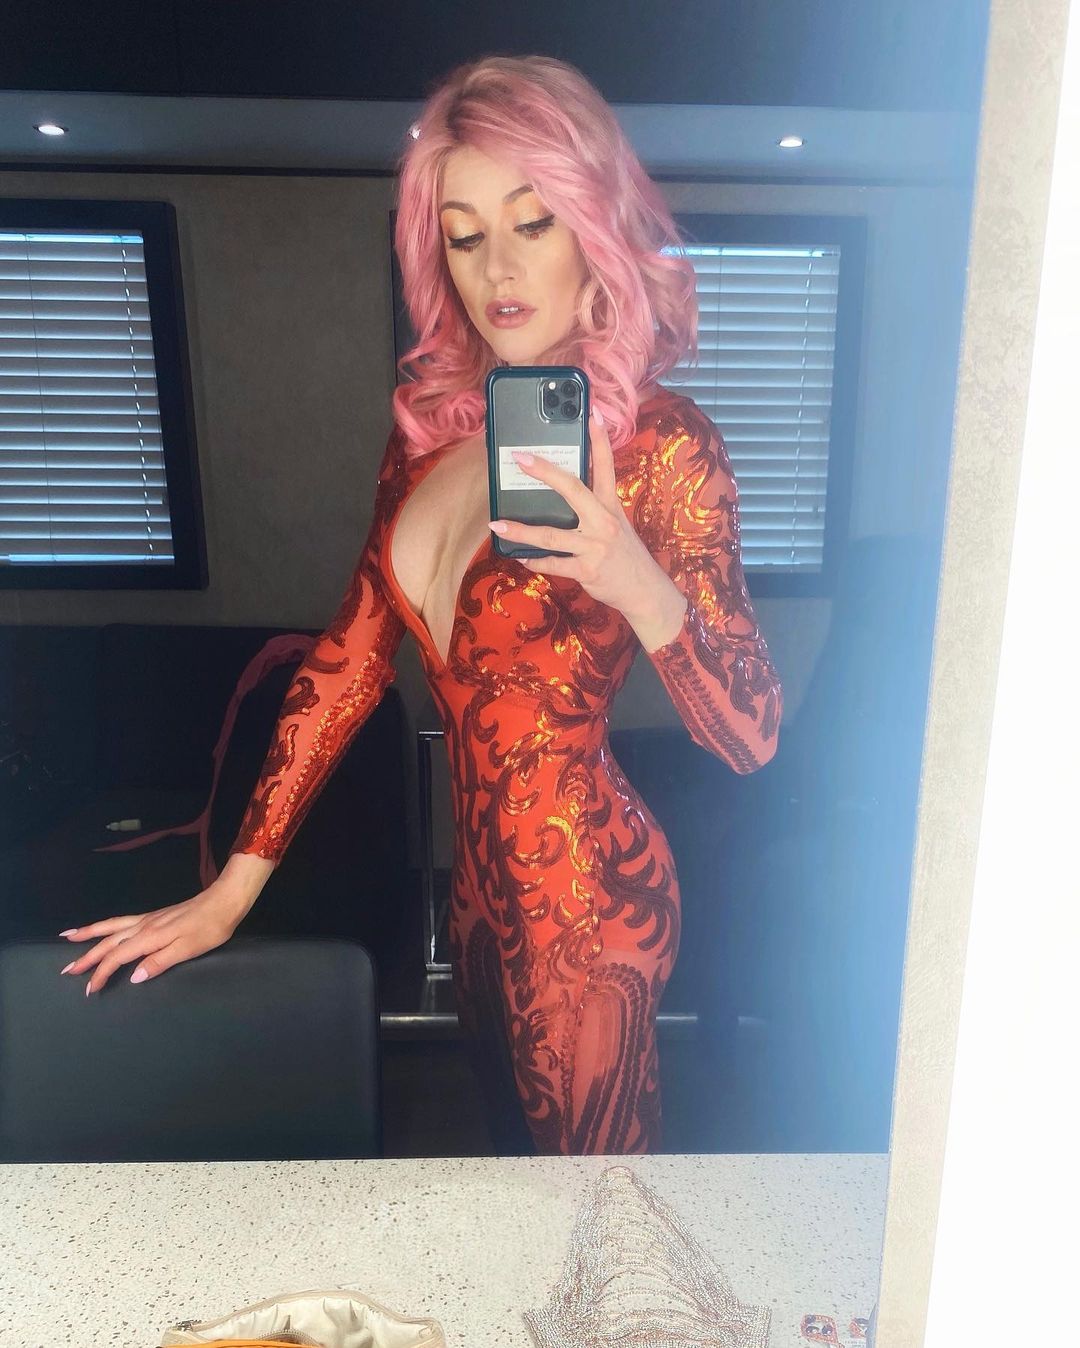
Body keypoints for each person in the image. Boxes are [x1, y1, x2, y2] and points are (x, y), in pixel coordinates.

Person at [58, 54, 782, 1155]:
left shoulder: (664, 446)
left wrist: (634, 577)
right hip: (476, 906)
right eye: (463, 233)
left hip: (588, 906)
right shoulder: (425, 451)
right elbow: (344, 669)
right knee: (508, 1186)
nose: (499, 266)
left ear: (593, 227)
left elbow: (752, 734)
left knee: (596, 1229)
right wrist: (228, 896)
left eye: (532, 221)